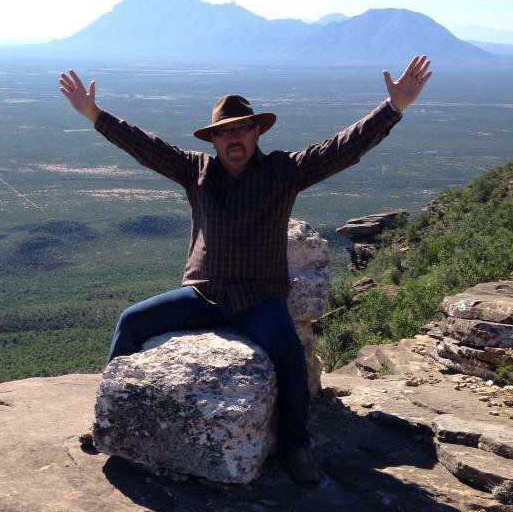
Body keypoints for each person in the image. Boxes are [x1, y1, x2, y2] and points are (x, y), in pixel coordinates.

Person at [59, 57, 432, 485]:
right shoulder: (194, 171)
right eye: (225, 131)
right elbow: (146, 146)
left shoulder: (283, 173)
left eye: (242, 128)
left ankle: (296, 446)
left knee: (289, 355)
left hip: (258, 300)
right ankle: (112, 415)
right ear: (214, 139)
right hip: (203, 295)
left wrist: (393, 108)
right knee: (131, 321)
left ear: (257, 131)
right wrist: (94, 115)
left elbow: (341, 148)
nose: (234, 138)